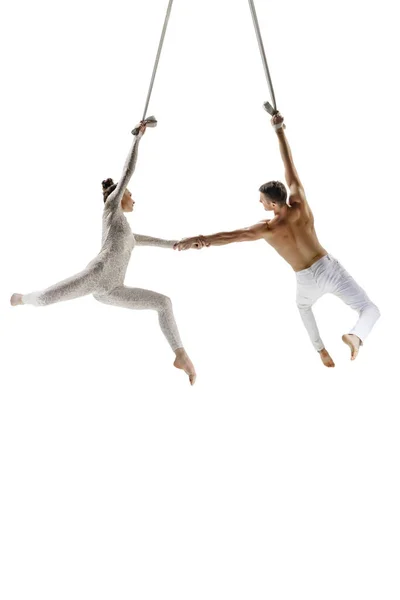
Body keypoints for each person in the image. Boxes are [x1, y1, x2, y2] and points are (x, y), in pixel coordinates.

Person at [176, 112, 380, 368]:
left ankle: (321, 351)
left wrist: (198, 239)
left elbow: (230, 237)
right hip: (328, 269)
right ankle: (356, 336)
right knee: (370, 309)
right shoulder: (300, 204)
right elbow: (290, 166)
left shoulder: (268, 229)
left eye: (261, 199)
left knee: (304, 308)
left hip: (306, 279)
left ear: (272, 203)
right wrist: (279, 129)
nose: (259, 202)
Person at [11, 118, 196, 384]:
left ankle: (180, 355)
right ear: (119, 196)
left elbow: (147, 240)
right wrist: (138, 138)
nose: (134, 198)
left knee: (163, 303)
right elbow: (127, 173)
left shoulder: (126, 232)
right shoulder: (112, 208)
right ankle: (21, 298)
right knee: (45, 299)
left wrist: (178, 243)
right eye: (130, 195)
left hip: (113, 291)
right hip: (95, 277)